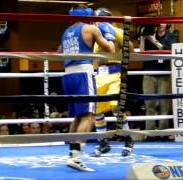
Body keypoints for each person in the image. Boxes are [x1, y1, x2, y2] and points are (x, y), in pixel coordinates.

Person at [59, 6, 115, 171]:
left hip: (67, 75)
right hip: (83, 74)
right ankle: (76, 158)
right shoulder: (90, 28)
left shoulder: (66, 32)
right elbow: (110, 49)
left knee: (78, 116)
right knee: (89, 116)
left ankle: (72, 155)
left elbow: (59, 52)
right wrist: (108, 33)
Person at [92, 7, 134, 157]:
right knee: (97, 111)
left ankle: (128, 139)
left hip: (115, 72)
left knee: (116, 108)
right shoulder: (96, 35)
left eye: (97, 19)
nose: (95, 22)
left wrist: (117, 39)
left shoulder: (116, 31)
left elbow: (131, 48)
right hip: (99, 75)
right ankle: (103, 144)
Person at [140, 23, 178, 136]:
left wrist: (154, 41)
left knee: (164, 104)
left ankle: (163, 133)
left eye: (163, 22)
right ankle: (150, 133)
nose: (161, 24)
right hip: (148, 73)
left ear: (167, 25)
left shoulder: (171, 36)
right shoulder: (150, 34)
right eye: (159, 22)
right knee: (149, 104)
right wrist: (143, 38)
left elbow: (169, 51)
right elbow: (142, 52)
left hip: (164, 74)